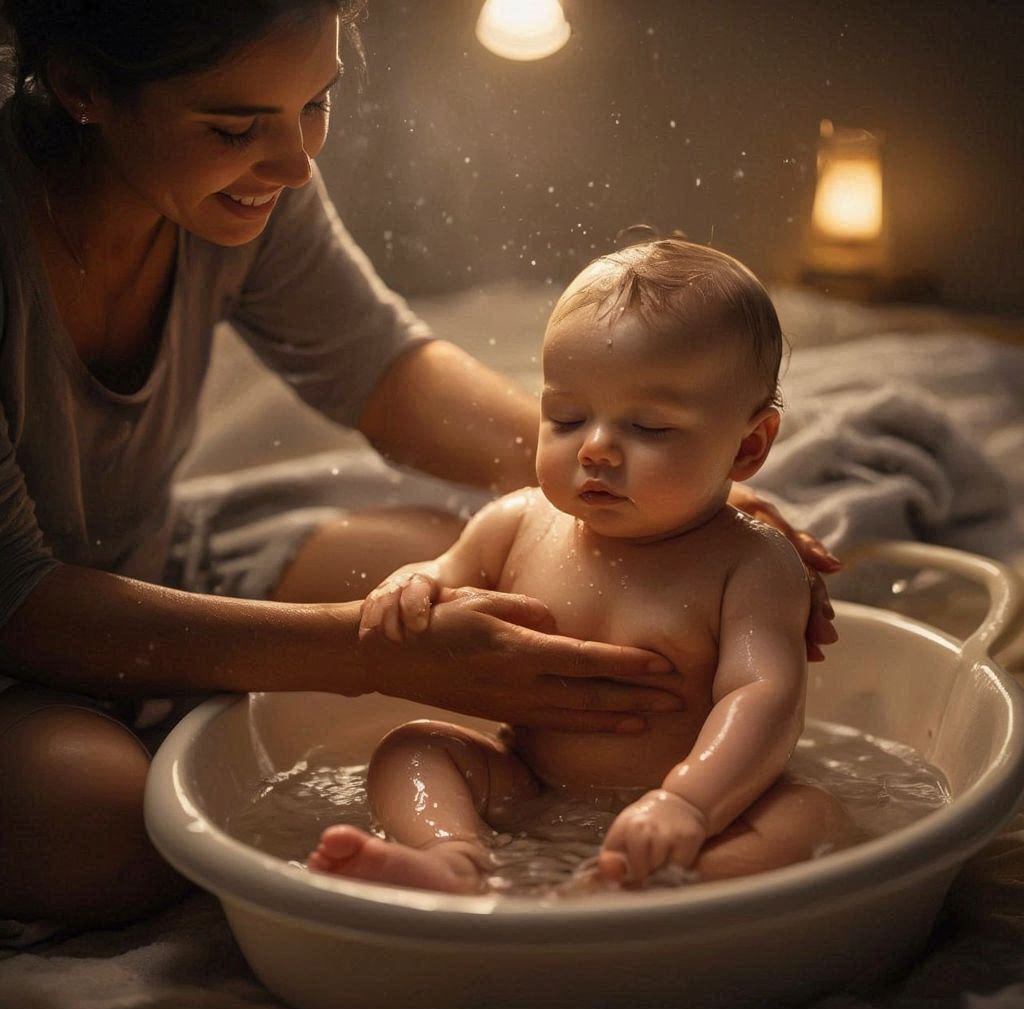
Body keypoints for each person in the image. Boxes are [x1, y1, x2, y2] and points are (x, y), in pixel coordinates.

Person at [0, 0, 838, 933]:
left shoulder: (243, 183)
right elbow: (15, 594)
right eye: (236, 126)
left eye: (316, 104)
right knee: (108, 826)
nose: (296, 164)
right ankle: (448, 863)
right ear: (82, 88)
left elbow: (385, 375)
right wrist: (372, 648)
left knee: (485, 577)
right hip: (25, 630)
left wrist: (687, 490)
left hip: (153, 550)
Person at [308, 239, 851, 893]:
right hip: (527, 785)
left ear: (749, 446)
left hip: (708, 809)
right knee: (413, 748)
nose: (594, 448)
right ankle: (452, 859)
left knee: (809, 817)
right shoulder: (515, 523)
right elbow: (442, 574)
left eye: (649, 427)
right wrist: (411, 583)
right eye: (565, 417)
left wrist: (689, 802)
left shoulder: (753, 562)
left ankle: (664, 884)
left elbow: (764, 695)